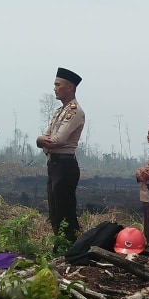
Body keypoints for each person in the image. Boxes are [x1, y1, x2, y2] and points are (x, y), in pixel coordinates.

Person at [36, 67, 84, 243]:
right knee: (55, 210)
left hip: (65, 165)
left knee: (64, 211)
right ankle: (60, 244)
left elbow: (58, 140)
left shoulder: (74, 111)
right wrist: (41, 139)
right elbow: (46, 136)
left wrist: (42, 140)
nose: (54, 88)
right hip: (54, 164)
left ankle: (68, 245)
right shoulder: (59, 111)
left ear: (69, 87)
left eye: (58, 84)